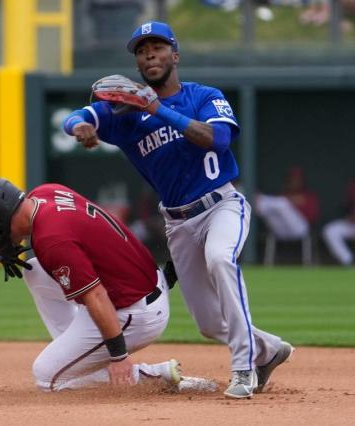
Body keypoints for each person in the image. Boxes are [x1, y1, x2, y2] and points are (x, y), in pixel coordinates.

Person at [62, 21, 293, 399]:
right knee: (207, 322)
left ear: (175, 54)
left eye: (157, 47)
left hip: (221, 205)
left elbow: (216, 138)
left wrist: (160, 110)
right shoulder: (127, 116)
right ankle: (268, 350)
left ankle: (243, 369)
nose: (149, 54)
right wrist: (82, 128)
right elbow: (79, 116)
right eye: (141, 50)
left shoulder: (204, 96)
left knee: (221, 259)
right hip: (178, 223)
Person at [0, 178, 216, 392]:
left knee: (47, 377)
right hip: (142, 282)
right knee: (36, 273)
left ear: (0, 220)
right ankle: (80, 354)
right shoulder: (45, 192)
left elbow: (96, 295)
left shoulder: (51, 240)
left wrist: (119, 357)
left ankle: (151, 375)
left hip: (133, 312)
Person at [256, 166, 320, 240]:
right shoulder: (283, 195)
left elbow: (314, 217)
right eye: (292, 179)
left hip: (301, 230)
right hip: (280, 232)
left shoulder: (309, 196)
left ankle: (258, 200)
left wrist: (295, 203)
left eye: (297, 179)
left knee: (282, 202)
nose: (294, 182)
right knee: (272, 211)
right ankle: (258, 203)